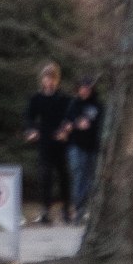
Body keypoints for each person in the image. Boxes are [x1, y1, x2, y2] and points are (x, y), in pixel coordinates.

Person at [23, 63, 74, 226]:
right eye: (47, 79)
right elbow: (29, 117)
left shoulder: (64, 99)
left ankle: (66, 210)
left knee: (63, 176)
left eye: (53, 79)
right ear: (42, 80)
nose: (50, 82)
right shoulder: (36, 99)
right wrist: (31, 130)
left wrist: (66, 131)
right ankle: (45, 210)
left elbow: (70, 117)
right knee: (45, 176)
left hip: (60, 141)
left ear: (57, 80)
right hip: (44, 141)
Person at [66, 78, 103, 224]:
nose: (84, 90)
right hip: (76, 145)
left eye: (87, 88)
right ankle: (78, 207)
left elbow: (101, 124)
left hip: (92, 146)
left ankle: (86, 208)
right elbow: (67, 121)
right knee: (78, 173)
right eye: (82, 88)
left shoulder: (98, 106)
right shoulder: (74, 104)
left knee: (90, 178)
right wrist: (77, 124)